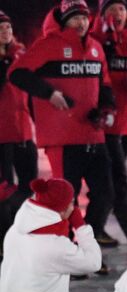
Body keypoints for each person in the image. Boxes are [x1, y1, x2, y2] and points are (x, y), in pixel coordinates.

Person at [9, 0, 115, 275]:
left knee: (105, 194)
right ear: (62, 21)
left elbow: (104, 83)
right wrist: (49, 93)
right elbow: (17, 73)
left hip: (93, 135)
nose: (81, 23)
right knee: (66, 201)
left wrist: (106, 107)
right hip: (62, 138)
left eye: (84, 18)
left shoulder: (95, 47)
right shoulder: (48, 45)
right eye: (74, 19)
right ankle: (67, 254)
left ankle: (85, 248)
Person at [95, 0, 127, 251]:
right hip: (105, 123)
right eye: (111, 10)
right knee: (118, 178)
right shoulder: (96, 40)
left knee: (109, 179)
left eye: (122, 9)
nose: (118, 14)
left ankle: (94, 227)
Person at [0, 9, 37, 240]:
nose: (6, 31)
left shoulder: (19, 53)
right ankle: (5, 236)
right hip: (2, 136)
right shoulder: (11, 58)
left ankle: (23, 233)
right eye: (1, 28)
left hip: (23, 131)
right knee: (4, 191)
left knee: (30, 186)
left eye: (8, 27)